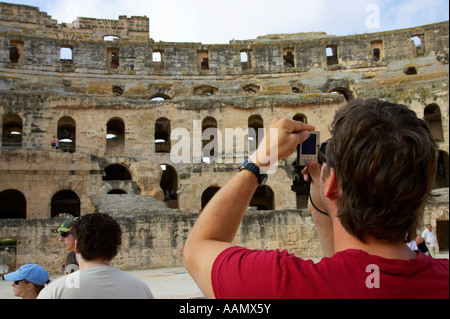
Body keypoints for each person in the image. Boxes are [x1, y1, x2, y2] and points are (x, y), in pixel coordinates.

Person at [183, 98, 449, 299]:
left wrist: (260, 161)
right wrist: (322, 210)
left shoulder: (280, 284)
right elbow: (353, 273)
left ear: (331, 183)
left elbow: (198, 248)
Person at [38, 212, 154, 299]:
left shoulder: (54, 292)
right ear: (116, 248)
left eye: (64, 234)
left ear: (77, 245)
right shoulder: (141, 289)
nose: (60, 239)